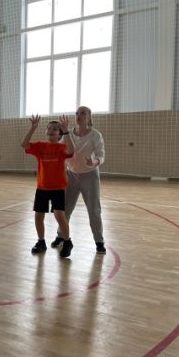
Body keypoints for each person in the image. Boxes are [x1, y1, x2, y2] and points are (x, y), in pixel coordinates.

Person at [50, 106, 106, 254]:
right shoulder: (67, 134)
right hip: (71, 176)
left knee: (94, 210)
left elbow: (101, 155)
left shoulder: (95, 135)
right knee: (65, 209)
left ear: (89, 117)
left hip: (90, 176)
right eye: (77, 113)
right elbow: (59, 151)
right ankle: (61, 236)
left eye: (82, 113)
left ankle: (99, 241)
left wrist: (94, 162)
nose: (79, 115)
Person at [21, 115, 75, 258]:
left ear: (59, 134)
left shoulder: (62, 147)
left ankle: (67, 242)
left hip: (58, 188)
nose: (51, 130)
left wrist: (67, 131)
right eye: (49, 128)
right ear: (46, 132)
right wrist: (33, 127)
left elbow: (71, 151)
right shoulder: (40, 146)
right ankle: (41, 242)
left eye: (55, 129)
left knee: (59, 216)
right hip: (42, 188)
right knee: (38, 216)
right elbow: (24, 144)